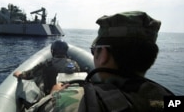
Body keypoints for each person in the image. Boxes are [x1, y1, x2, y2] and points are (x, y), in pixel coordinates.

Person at [27, 11, 175, 112]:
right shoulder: (170, 101)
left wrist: (54, 95)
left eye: (94, 50)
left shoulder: (71, 100)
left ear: (103, 54)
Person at [13, 39, 80, 95]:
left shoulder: (46, 64)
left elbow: (29, 75)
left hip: (51, 95)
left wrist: (20, 75)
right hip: (71, 94)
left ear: (53, 51)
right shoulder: (75, 64)